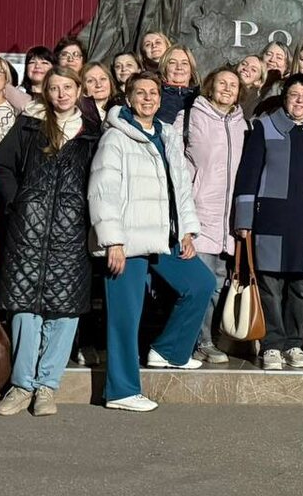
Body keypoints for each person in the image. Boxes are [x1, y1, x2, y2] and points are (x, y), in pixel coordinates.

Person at [89, 73, 216, 413]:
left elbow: (181, 188)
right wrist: (113, 241)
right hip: (128, 240)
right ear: (129, 98)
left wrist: (186, 231)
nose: (147, 98)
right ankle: (121, 391)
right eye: (140, 93)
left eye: (153, 93)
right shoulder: (116, 137)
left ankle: (170, 350)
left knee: (201, 284)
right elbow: (103, 191)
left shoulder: (167, 135)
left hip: (165, 234)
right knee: (125, 317)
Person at [0, 68, 100, 417]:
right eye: (54, 88)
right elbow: (0, 166)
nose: (61, 94)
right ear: (46, 92)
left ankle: (47, 386)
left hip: (72, 235)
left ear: (79, 90)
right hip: (27, 232)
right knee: (24, 308)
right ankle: (22, 385)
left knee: (64, 311)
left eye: (68, 87)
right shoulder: (29, 125)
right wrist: (17, 202)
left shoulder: (92, 134)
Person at [233, 74, 303, 371]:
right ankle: (272, 345)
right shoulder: (264, 127)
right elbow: (248, 174)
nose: (299, 100)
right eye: (294, 95)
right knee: (270, 286)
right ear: (284, 98)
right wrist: (244, 219)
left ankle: (294, 343)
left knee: (302, 288)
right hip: (271, 219)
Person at [175, 66, 246, 364]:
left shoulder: (243, 125)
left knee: (217, 285)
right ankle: (197, 341)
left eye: (233, 85)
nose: (227, 88)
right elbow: (175, 167)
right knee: (200, 284)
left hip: (228, 220)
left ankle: (205, 339)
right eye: (222, 83)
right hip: (198, 215)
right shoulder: (189, 117)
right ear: (210, 87)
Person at [156, 45, 200, 124]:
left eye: (184, 63)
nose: (179, 67)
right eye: (172, 62)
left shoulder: (200, 98)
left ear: (191, 70)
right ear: (164, 68)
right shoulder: (155, 95)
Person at [81, 61, 116, 128]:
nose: (98, 85)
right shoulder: (79, 115)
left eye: (103, 79)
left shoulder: (121, 108)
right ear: (82, 86)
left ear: (110, 82)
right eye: (90, 81)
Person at [236, 54, 266, 119]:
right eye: (244, 64)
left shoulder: (255, 105)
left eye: (253, 70)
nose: (246, 68)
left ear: (258, 81)